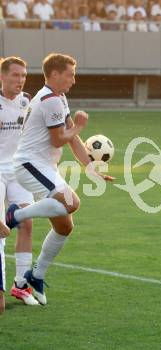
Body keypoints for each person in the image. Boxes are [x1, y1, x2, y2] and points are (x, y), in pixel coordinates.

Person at [5, 53, 114, 305]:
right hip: (29, 164)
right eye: (70, 74)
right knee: (71, 202)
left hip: (45, 166)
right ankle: (15, 215)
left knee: (65, 226)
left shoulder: (58, 97)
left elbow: (72, 139)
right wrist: (78, 126)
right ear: (54, 74)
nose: (73, 80)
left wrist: (90, 167)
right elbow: (60, 139)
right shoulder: (49, 100)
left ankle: (34, 275)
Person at [0, 57, 40, 307]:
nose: (20, 80)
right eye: (15, 75)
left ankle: (21, 286)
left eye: (23, 75)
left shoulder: (28, 101)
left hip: (18, 170)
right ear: (2, 77)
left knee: (26, 223)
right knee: (0, 232)